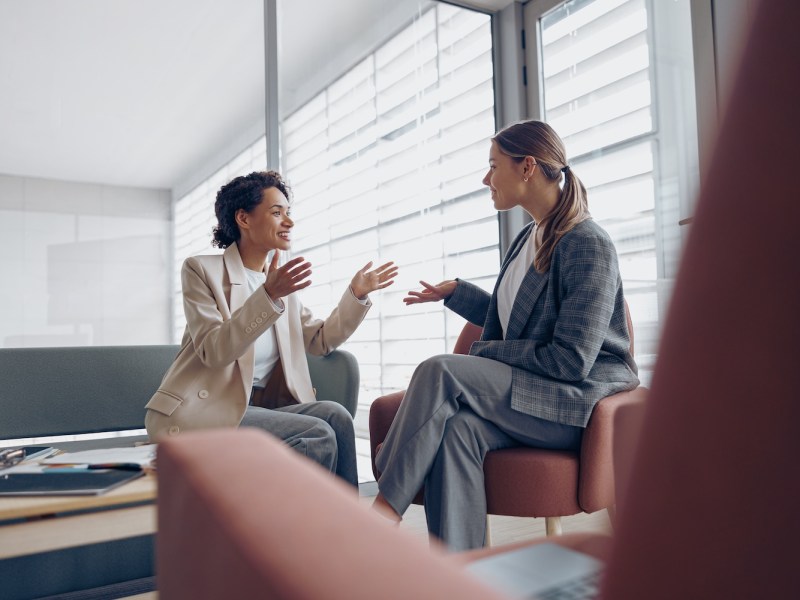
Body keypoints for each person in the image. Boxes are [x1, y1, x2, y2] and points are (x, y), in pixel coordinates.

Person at [372, 120, 639, 549]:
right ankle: (461, 574)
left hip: (572, 405)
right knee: (459, 430)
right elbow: (515, 317)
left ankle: (383, 508)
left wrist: (489, 353)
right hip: (531, 396)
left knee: (441, 370)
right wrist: (457, 294)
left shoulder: (588, 242)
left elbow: (570, 361)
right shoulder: (528, 238)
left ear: (527, 166)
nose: (486, 178)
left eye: (493, 166)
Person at [145, 171, 397, 488]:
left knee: (336, 416)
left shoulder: (278, 283)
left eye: (288, 213)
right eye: (277, 213)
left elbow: (319, 341)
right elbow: (214, 350)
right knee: (316, 433)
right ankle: (302, 531)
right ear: (243, 218)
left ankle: (348, 525)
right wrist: (268, 295)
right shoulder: (201, 270)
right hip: (205, 411)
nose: (289, 222)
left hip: (261, 410)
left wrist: (356, 296)